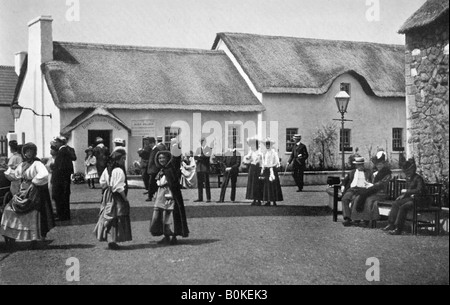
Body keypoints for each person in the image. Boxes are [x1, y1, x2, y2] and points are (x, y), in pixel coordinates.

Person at [0, 143, 55, 247]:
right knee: (9, 209)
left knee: (32, 213)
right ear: (23, 153)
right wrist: (8, 170)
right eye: (26, 152)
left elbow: (44, 175)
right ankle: (11, 234)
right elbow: (15, 175)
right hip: (22, 191)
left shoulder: (37, 164)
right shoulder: (22, 165)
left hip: (34, 191)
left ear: (34, 152)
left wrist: (33, 181)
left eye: (30, 152)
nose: (28, 154)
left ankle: (33, 237)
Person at [94, 148, 132, 250]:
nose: (124, 161)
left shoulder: (107, 169)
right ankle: (113, 240)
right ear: (118, 159)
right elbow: (119, 187)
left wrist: (107, 190)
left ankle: (110, 239)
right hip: (116, 196)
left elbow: (102, 182)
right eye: (123, 159)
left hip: (108, 194)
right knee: (116, 216)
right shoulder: (119, 170)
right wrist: (125, 199)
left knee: (108, 214)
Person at [150, 150, 189, 245]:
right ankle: (165, 235)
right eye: (159, 158)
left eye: (163, 158)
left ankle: (173, 235)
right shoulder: (161, 170)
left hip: (169, 194)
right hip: (161, 194)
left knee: (169, 215)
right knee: (161, 215)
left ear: (167, 158)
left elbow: (176, 161)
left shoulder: (171, 169)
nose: (161, 160)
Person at [383, 158, 426, 235]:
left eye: (409, 171)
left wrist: (407, 192)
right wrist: (403, 196)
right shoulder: (409, 179)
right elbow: (409, 191)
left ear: (413, 170)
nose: (407, 174)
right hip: (411, 199)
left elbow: (420, 190)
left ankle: (398, 228)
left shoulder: (418, 178)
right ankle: (391, 224)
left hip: (420, 200)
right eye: (406, 172)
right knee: (396, 203)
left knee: (403, 207)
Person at [350, 151, 392, 227]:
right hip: (373, 191)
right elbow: (371, 181)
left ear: (384, 164)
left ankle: (367, 219)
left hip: (381, 193)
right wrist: (368, 183)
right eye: (377, 164)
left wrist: (372, 185)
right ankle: (357, 218)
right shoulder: (375, 173)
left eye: (380, 164)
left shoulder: (387, 173)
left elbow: (382, 184)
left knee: (369, 200)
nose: (379, 166)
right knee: (358, 197)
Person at [339, 156, 373, 226]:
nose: (359, 166)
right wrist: (342, 186)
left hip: (362, 189)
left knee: (355, 199)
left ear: (363, 164)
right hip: (352, 189)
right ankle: (347, 218)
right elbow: (345, 180)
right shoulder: (352, 172)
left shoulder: (368, 172)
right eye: (357, 165)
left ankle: (356, 218)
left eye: (360, 164)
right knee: (345, 199)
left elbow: (372, 181)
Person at [52, 136, 77, 221]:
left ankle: (62, 215)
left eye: (56, 142)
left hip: (60, 180)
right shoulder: (66, 150)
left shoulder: (62, 152)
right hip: (64, 179)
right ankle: (64, 215)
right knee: (64, 197)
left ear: (60, 142)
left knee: (59, 197)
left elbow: (61, 167)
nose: (55, 144)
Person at [260, 138, 283, 206]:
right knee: (266, 186)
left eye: (268, 144)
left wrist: (272, 166)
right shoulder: (264, 152)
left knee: (273, 186)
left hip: (272, 170)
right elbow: (263, 162)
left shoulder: (274, 152)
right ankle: (268, 200)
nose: (267, 146)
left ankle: (274, 200)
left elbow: (277, 162)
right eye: (266, 144)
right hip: (266, 170)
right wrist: (263, 168)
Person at [243, 136, 263, 206]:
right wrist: (247, 159)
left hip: (257, 169)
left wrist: (261, 171)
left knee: (258, 185)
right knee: (252, 185)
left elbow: (259, 162)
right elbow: (246, 158)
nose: (251, 147)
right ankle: (254, 199)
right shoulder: (251, 151)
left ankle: (259, 200)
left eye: (253, 145)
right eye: (251, 145)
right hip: (252, 169)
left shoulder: (259, 152)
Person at [194, 137, 212, 202]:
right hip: (199, 168)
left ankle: (208, 198)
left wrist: (200, 157)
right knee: (199, 184)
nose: (202, 142)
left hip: (205, 168)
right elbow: (195, 157)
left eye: (203, 141)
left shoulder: (208, 149)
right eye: (201, 141)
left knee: (207, 183)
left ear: (205, 142)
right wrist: (200, 157)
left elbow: (206, 157)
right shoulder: (198, 149)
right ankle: (200, 197)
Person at [146, 137, 162, 202]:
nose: (149, 145)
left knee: (151, 183)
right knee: (153, 184)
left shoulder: (156, 150)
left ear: (153, 143)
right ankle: (154, 195)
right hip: (152, 169)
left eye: (150, 143)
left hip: (154, 169)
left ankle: (150, 196)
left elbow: (156, 160)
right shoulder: (152, 150)